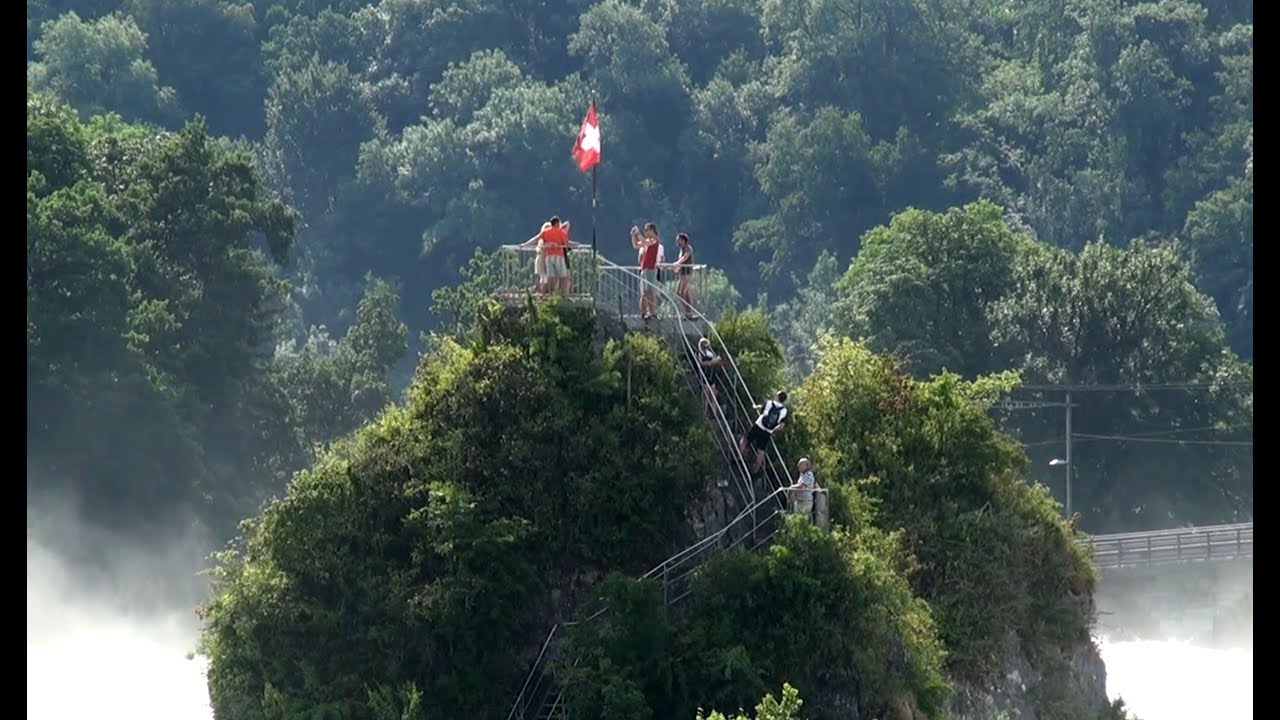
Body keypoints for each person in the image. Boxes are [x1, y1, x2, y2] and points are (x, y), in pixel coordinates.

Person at [739, 390, 788, 476]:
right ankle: (755, 471)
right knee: (761, 450)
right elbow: (781, 426)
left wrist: (754, 407)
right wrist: (772, 430)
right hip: (767, 432)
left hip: (758, 425)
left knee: (745, 439)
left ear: (777, 397)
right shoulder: (784, 411)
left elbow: (760, 408)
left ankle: (740, 458)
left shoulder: (769, 403)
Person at [630, 222, 660, 318]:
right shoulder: (647, 241)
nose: (645, 232)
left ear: (652, 230)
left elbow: (645, 242)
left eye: (646, 230)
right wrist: (633, 236)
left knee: (649, 292)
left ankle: (652, 312)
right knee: (644, 292)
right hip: (644, 269)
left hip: (651, 269)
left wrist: (638, 233)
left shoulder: (654, 240)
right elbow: (636, 246)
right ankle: (644, 312)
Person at [539, 216, 573, 295]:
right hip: (559, 255)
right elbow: (566, 243)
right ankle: (563, 294)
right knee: (562, 275)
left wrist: (547, 244)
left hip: (548, 256)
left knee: (551, 276)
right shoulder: (561, 232)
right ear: (557, 223)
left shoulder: (545, 232)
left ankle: (550, 293)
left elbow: (541, 241)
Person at [519, 221, 552, 295]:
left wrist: (524, 245)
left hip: (540, 258)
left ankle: (541, 293)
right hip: (544, 259)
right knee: (545, 278)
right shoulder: (546, 238)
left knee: (542, 277)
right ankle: (543, 293)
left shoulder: (541, 238)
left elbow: (533, 239)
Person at [695, 337, 724, 416]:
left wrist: (717, 361)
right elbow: (701, 363)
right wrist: (711, 362)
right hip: (704, 376)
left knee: (713, 395)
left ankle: (714, 413)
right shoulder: (699, 353)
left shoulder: (709, 353)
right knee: (706, 395)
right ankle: (704, 413)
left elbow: (714, 362)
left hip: (711, 376)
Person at [673, 232, 695, 319]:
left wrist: (677, 263)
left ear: (683, 240)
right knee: (681, 293)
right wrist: (677, 268)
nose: (677, 242)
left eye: (678, 240)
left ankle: (688, 312)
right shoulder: (681, 249)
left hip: (687, 274)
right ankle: (687, 312)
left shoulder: (688, 248)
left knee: (683, 293)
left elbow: (685, 257)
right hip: (682, 274)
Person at [789, 458, 817, 522]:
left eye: (801, 464)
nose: (798, 465)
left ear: (806, 466)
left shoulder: (808, 474)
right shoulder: (802, 475)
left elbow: (802, 486)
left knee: (802, 520)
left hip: (805, 501)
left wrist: (792, 487)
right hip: (800, 500)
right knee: (797, 519)